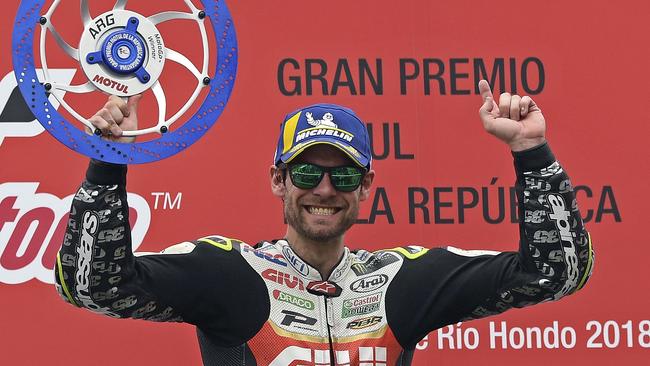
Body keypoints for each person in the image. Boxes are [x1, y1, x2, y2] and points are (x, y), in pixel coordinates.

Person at [54, 80, 594, 366]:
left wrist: (531, 151)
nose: (325, 189)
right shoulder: (228, 273)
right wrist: (108, 160)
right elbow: (94, 286)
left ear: (366, 188)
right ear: (278, 181)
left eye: (343, 176)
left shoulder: (402, 279)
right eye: (307, 171)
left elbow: (553, 274)